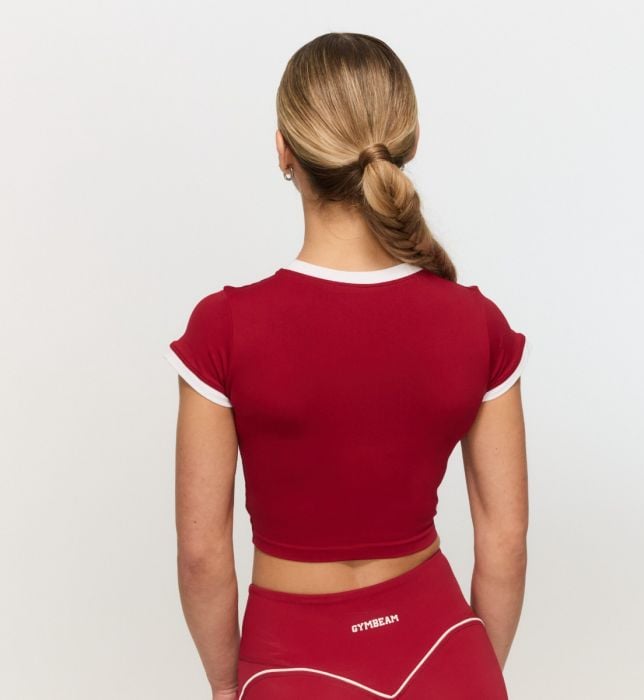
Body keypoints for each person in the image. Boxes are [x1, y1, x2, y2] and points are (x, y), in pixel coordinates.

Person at [164, 32, 530, 700]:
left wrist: (225, 687)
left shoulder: (226, 329)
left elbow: (201, 554)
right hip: (445, 651)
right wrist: (474, 672)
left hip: (292, 666)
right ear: (408, 141)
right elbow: (504, 541)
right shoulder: (478, 323)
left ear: (285, 150)